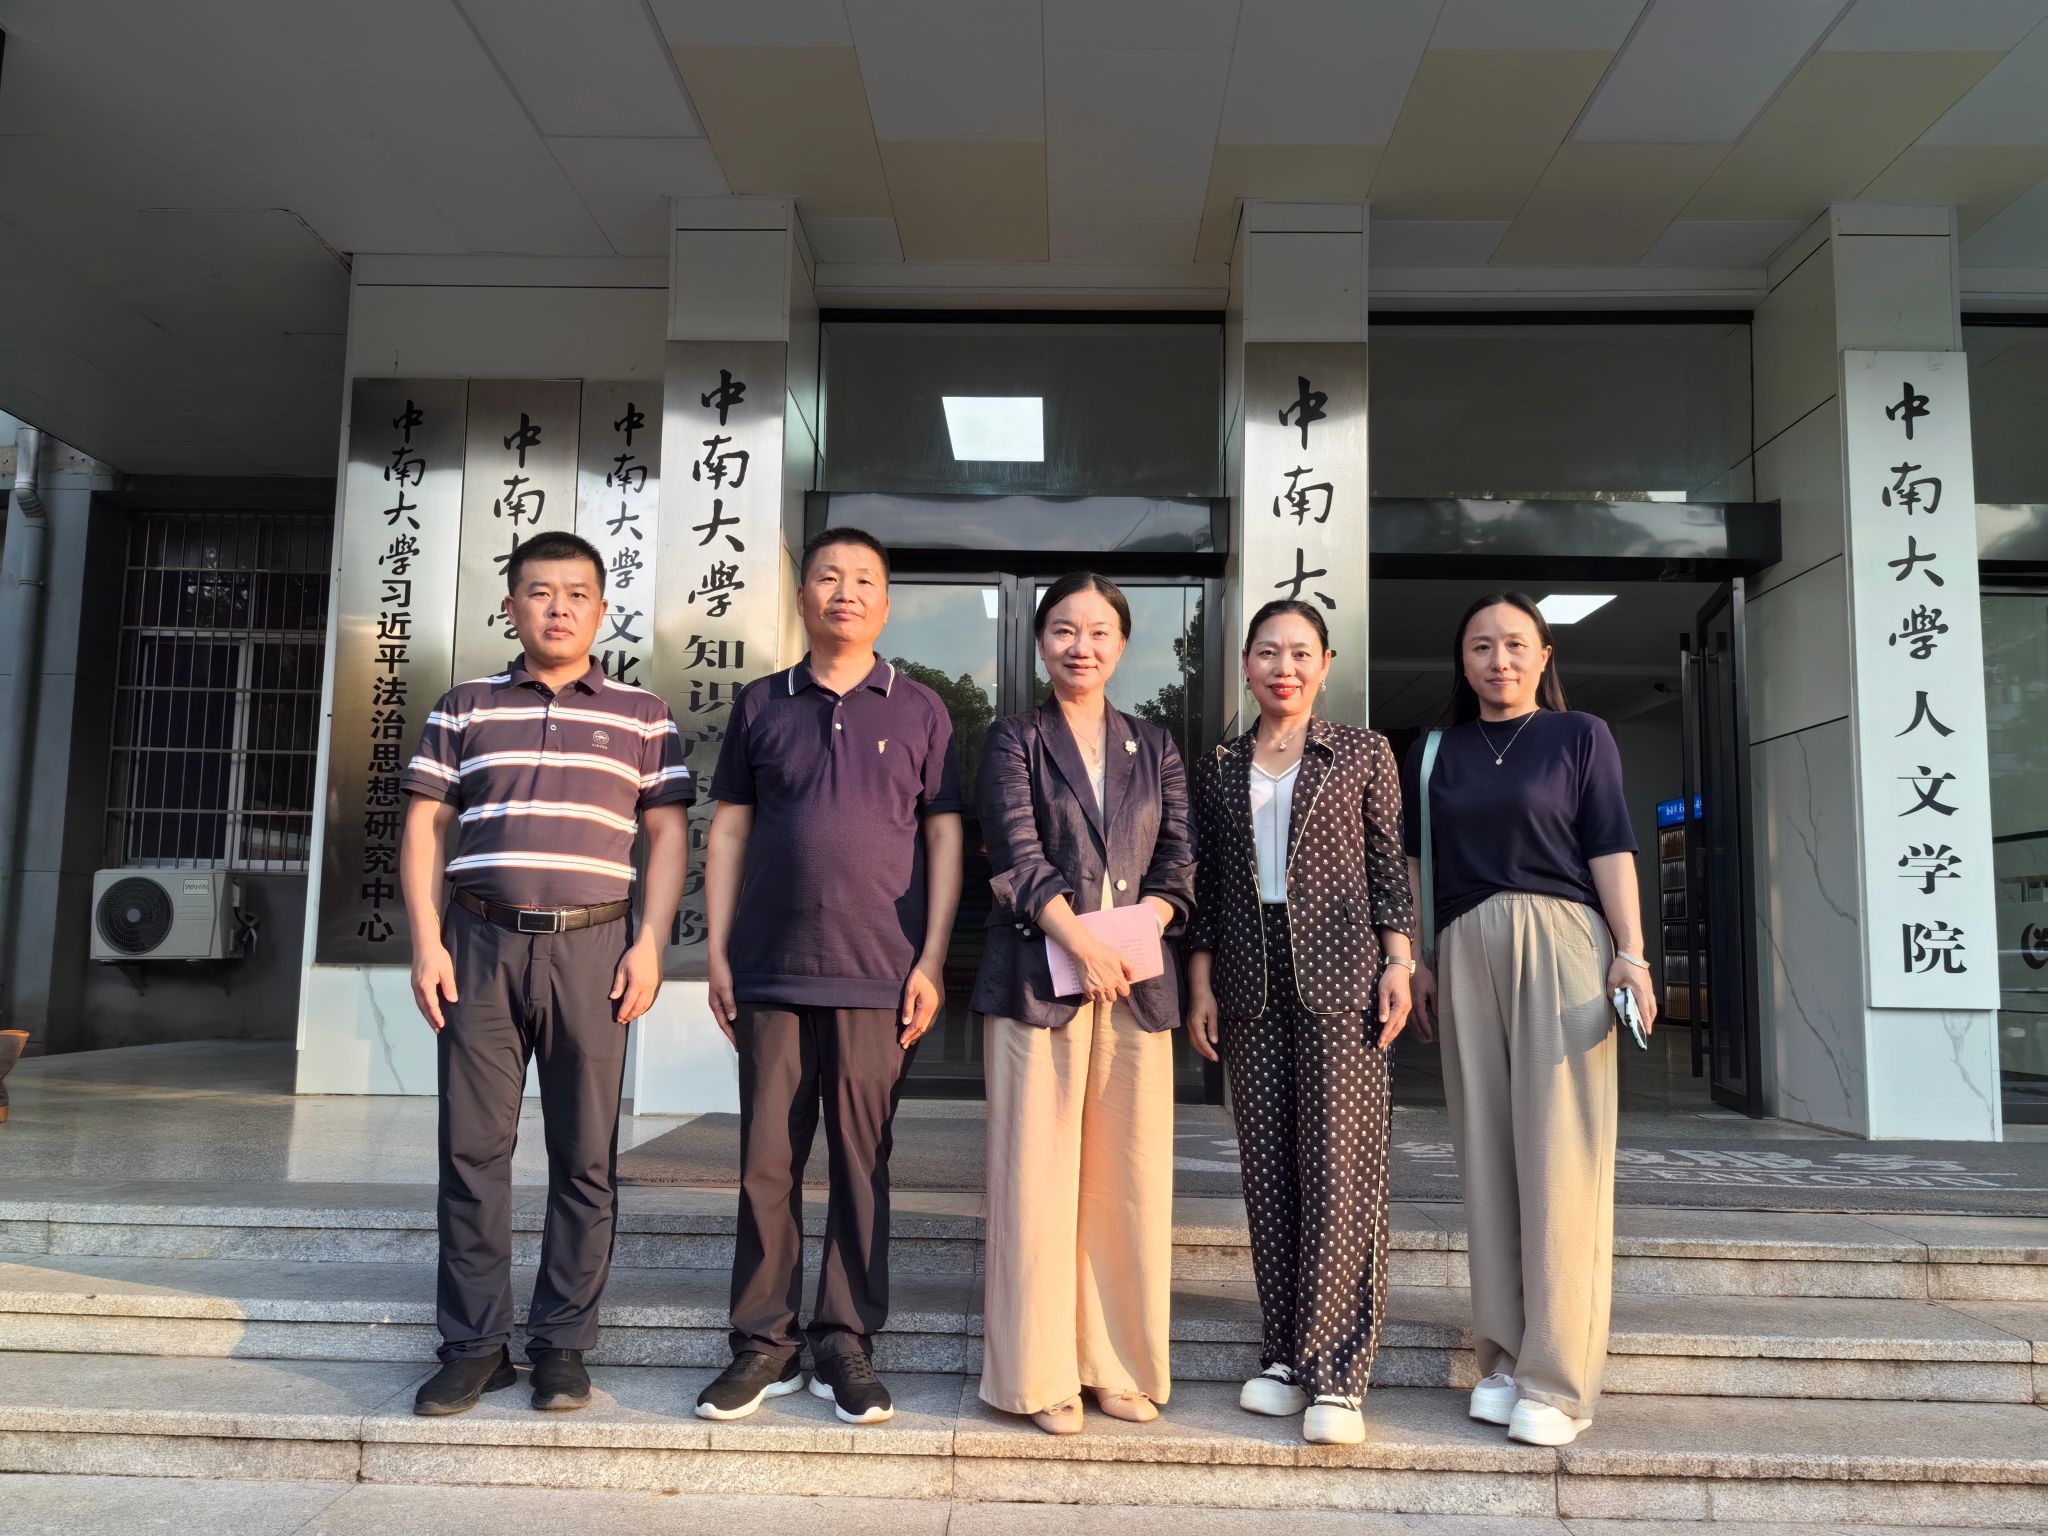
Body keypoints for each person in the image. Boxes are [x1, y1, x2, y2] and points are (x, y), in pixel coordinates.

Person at [400, 529, 691, 1417]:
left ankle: (562, 1344)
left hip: (594, 950)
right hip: (478, 944)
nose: (557, 608)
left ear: (601, 609)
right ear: (511, 606)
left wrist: (650, 943)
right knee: (471, 1151)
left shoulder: (643, 715)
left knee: (585, 1154)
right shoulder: (465, 706)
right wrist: (426, 941)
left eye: (575, 594)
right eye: (539, 592)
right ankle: (474, 1347)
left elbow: (668, 834)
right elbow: (424, 827)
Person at [695, 527, 964, 1427]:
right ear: (803, 594)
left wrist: (931, 958)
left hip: (879, 973)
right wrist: (719, 952)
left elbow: (944, 837)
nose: (844, 592)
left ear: (886, 603)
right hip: (772, 970)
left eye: (863, 580)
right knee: (766, 1161)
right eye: (827, 577)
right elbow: (730, 829)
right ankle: (762, 1344)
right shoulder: (761, 703)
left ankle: (844, 1340)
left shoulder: (921, 708)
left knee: (859, 1162)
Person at [1401, 592, 1655, 1449]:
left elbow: (1610, 846)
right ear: (1462, 661)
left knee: (1561, 1159)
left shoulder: (1580, 735)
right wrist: (1418, 958)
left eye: (1515, 644)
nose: (1498, 660)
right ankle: (1504, 1359)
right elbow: (1416, 863)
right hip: (1463, 947)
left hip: (1564, 942)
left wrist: (1632, 952)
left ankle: (1558, 1379)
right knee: (1486, 1157)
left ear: (1545, 656)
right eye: (1480, 646)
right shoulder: (1435, 751)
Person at [1184, 599, 1417, 1447]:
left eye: (1300, 653)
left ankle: (1339, 1374)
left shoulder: (1361, 751)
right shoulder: (1217, 765)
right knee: (1269, 1172)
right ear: (1246, 664)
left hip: (1342, 977)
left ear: (1325, 664)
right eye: (1268, 652)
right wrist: (1200, 983)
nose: (1284, 667)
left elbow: (1388, 865)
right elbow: (1208, 886)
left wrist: (1400, 962)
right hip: (1248, 980)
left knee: (1339, 1171)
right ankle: (1283, 1353)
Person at [972, 571, 1196, 1437]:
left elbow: (1179, 862)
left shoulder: (1155, 745)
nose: (1082, 646)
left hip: (1135, 990)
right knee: (1036, 1182)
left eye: (1099, 631)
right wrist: (1082, 941)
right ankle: (1040, 1374)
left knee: (1127, 1186)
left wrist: (1132, 937)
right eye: (1065, 629)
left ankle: (1117, 1365)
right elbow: (1017, 855)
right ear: (1041, 643)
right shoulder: (1013, 738)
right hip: (1040, 982)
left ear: (1122, 644)